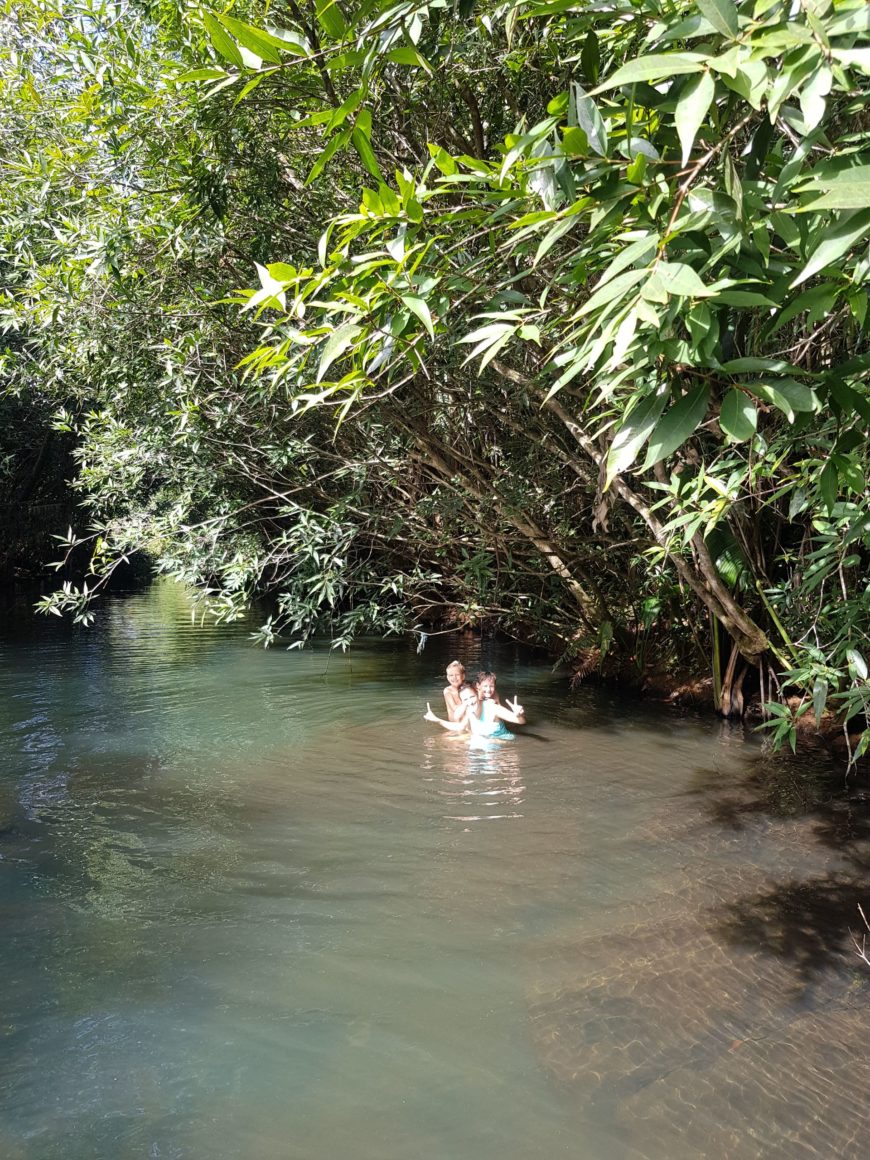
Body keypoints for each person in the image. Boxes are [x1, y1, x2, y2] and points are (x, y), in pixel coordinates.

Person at [425, 682, 525, 740]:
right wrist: (437, 720)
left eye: (472, 697)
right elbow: (459, 726)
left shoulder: (491, 707)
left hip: (502, 743)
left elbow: (521, 721)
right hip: (483, 743)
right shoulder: (469, 710)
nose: (470, 702)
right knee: (443, 740)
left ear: (477, 695)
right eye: (465, 700)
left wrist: (518, 715)